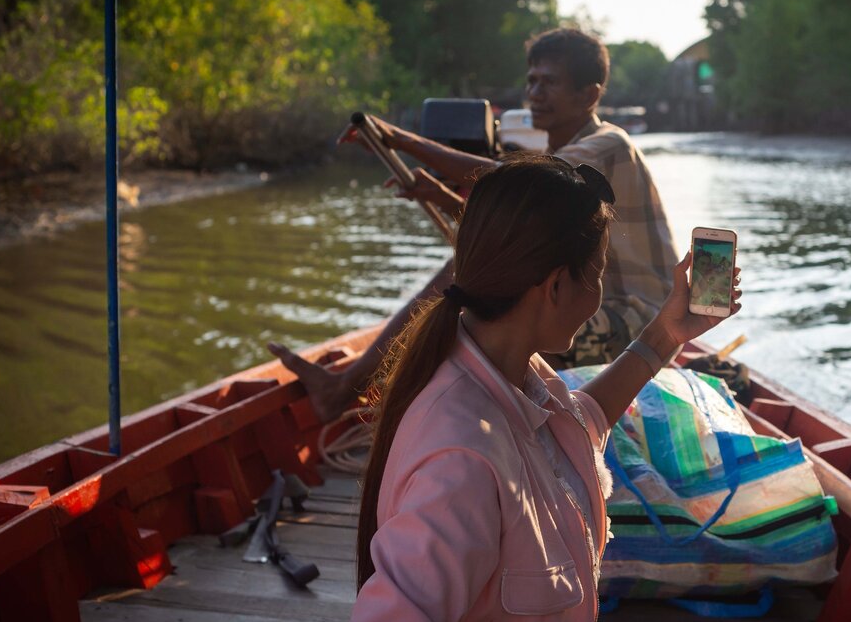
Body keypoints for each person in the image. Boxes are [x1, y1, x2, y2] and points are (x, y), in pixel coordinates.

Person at [330, 155, 741, 622]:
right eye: (597, 275)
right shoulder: (460, 461)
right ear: (553, 287)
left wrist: (667, 334)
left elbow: (579, 425)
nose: (597, 296)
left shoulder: (512, 373)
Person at [269, 28, 679, 423]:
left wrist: (401, 139)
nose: (534, 93)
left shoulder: (609, 144)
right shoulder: (559, 157)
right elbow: (514, 243)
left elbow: (506, 179)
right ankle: (380, 397)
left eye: (549, 83)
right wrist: (440, 197)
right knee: (473, 280)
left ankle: (354, 392)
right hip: (582, 300)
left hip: (634, 318)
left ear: (588, 95)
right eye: (532, 81)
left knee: (467, 285)